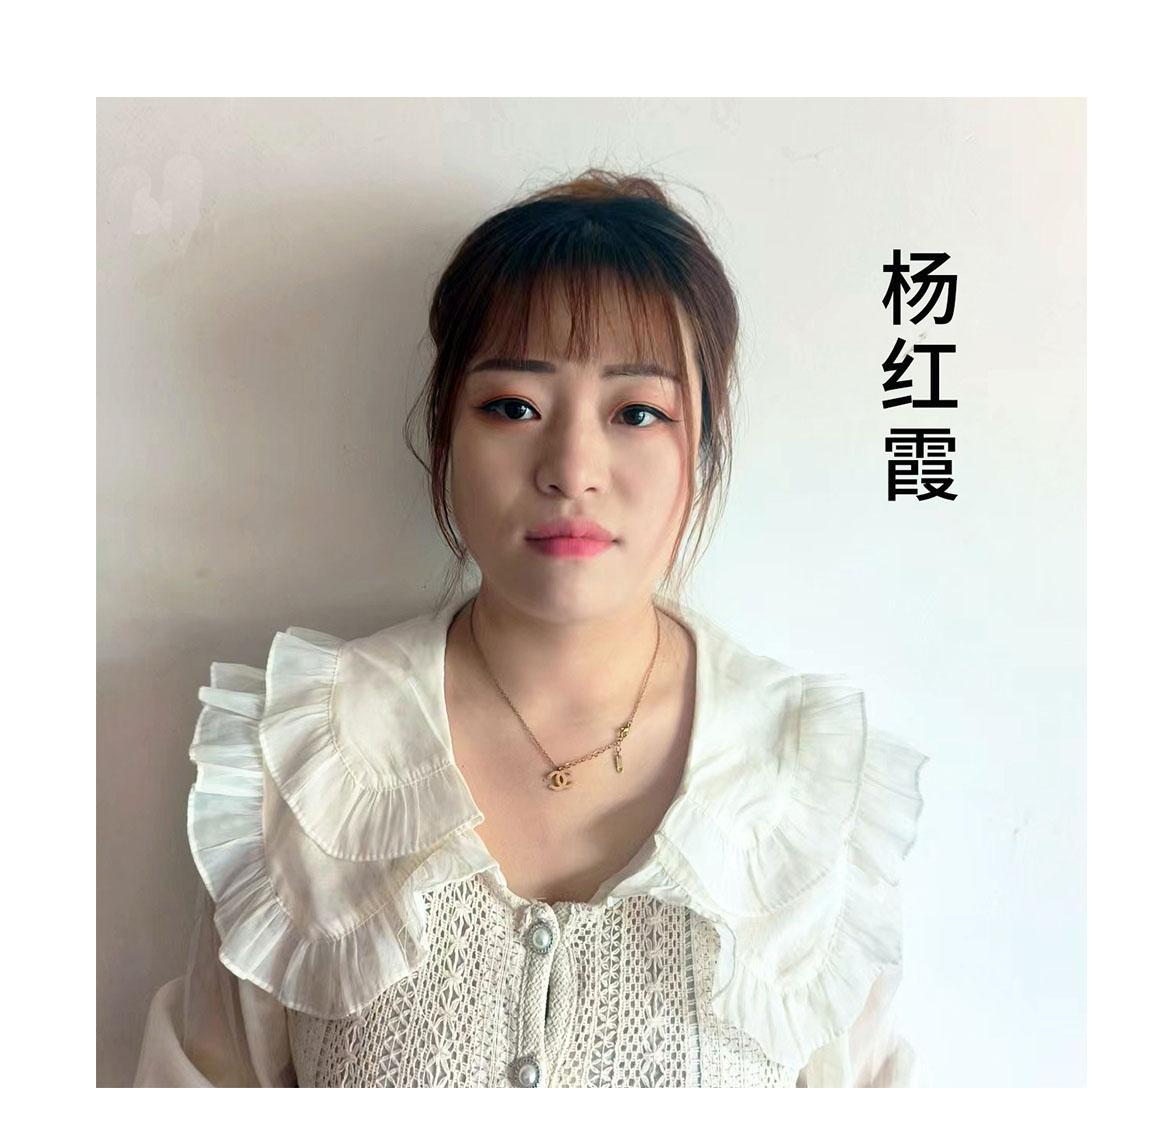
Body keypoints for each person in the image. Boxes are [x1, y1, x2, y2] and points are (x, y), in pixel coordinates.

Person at [134, 168, 929, 1088]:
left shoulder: (806, 785)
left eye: (637, 411)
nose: (571, 466)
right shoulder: (310, 755)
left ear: (702, 452)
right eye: (514, 406)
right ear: (446, 435)